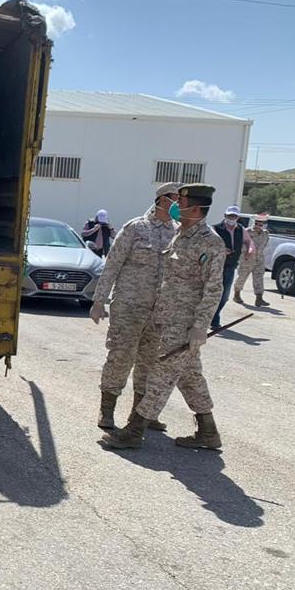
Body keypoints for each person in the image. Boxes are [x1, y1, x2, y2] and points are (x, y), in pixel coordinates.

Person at [102, 183, 227, 451]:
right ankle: (208, 432)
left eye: (181, 204)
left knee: (160, 375)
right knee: (190, 377)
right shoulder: (181, 235)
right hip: (165, 319)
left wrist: (200, 326)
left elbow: (213, 289)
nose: (176, 207)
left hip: (184, 325)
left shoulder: (210, 242)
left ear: (196, 209)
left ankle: (134, 431)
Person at [90, 182, 180, 431]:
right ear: (162, 200)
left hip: (160, 313)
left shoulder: (178, 233)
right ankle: (107, 411)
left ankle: (140, 416)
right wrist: (99, 301)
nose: (179, 204)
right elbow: (112, 265)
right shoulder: (136, 228)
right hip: (129, 308)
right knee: (120, 358)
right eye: (175, 198)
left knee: (150, 364)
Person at [211, 205, 245, 328]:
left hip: (230, 267)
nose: (232, 218)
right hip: (216, 266)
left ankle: (214, 316)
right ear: (225, 216)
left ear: (238, 217)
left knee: (224, 297)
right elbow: (210, 245)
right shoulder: (215, 228)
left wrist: (251, 248)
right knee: (212, 294)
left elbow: (248, 241)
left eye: (234, 216)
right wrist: (222, 250)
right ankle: (213, 320)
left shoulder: (241, 230)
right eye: (230, 216)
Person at [234, 213, 271, 307]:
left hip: (259, 259)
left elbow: (265, 245)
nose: (258, 226)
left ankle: (259, 298)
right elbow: (241, 245)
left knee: (259, 278)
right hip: (247, 259)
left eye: (261, 224)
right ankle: (236, 294)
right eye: (256, 223)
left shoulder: (265, 234)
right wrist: (246, 253)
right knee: (242, 276)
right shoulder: (247, 232)